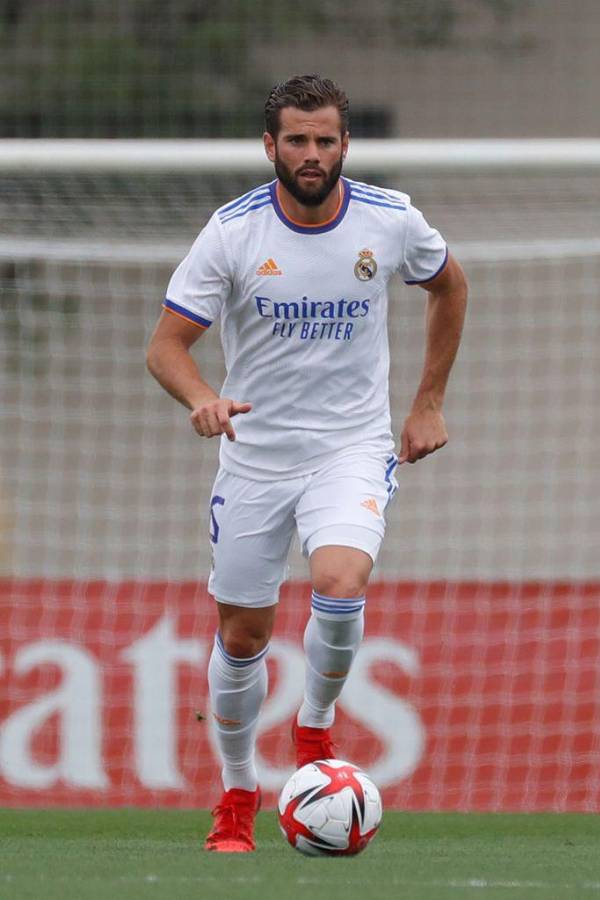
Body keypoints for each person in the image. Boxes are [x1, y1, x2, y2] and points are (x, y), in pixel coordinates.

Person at [146, 74, 467, 852]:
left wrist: (427, 401)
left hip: (349, 449)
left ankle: (315, 731)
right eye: (298, 140)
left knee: (340, 579)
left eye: (326, 139)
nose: (313, 153)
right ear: (271, 147)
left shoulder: (391, 221)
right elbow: (165, 347)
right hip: (255, 458)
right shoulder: (232, 232)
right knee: (245, 635)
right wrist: (203, 398)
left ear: (345, 144)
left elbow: (450, 288)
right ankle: (235, 793)